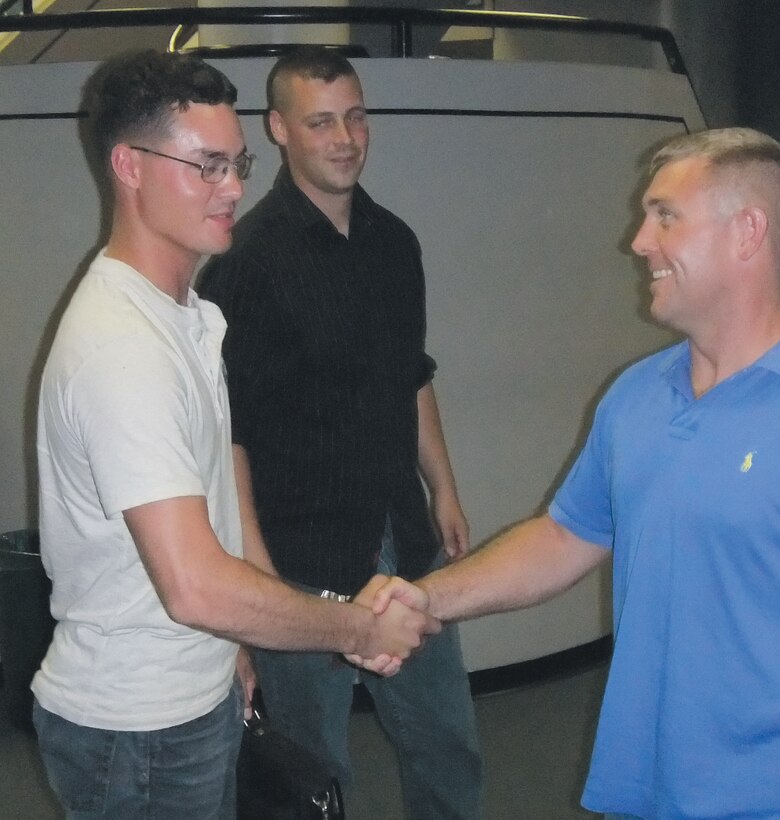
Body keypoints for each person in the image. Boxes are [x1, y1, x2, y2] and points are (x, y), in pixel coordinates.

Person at [365, 127, 780, 819]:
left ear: (746, 231)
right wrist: (430, 600)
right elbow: (566, 537)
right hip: (645, 789)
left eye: (665, 216)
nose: (637, 240)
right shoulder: (635, 395)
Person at [32, 49, 438, 820]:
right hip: (138, 730)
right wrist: (356, 624)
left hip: (199, 689)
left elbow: (223, 499)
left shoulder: (189, 316)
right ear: (130, 165)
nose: (234, 188)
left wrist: (243, 645)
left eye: (237, 163)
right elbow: (194, 586)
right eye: (206, 166)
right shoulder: (125, 349)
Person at [197, 47, 482, 818]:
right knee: (314, 770)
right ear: (279, 129)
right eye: (321, 121)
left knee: (446, 741)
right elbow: (231, 438)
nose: (344, 137)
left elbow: (409, 374)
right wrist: (253, 582)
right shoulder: (245, 263)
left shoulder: (395, 242)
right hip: (301, 559)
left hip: (402, 539)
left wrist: (442, 488)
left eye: (354, 116)